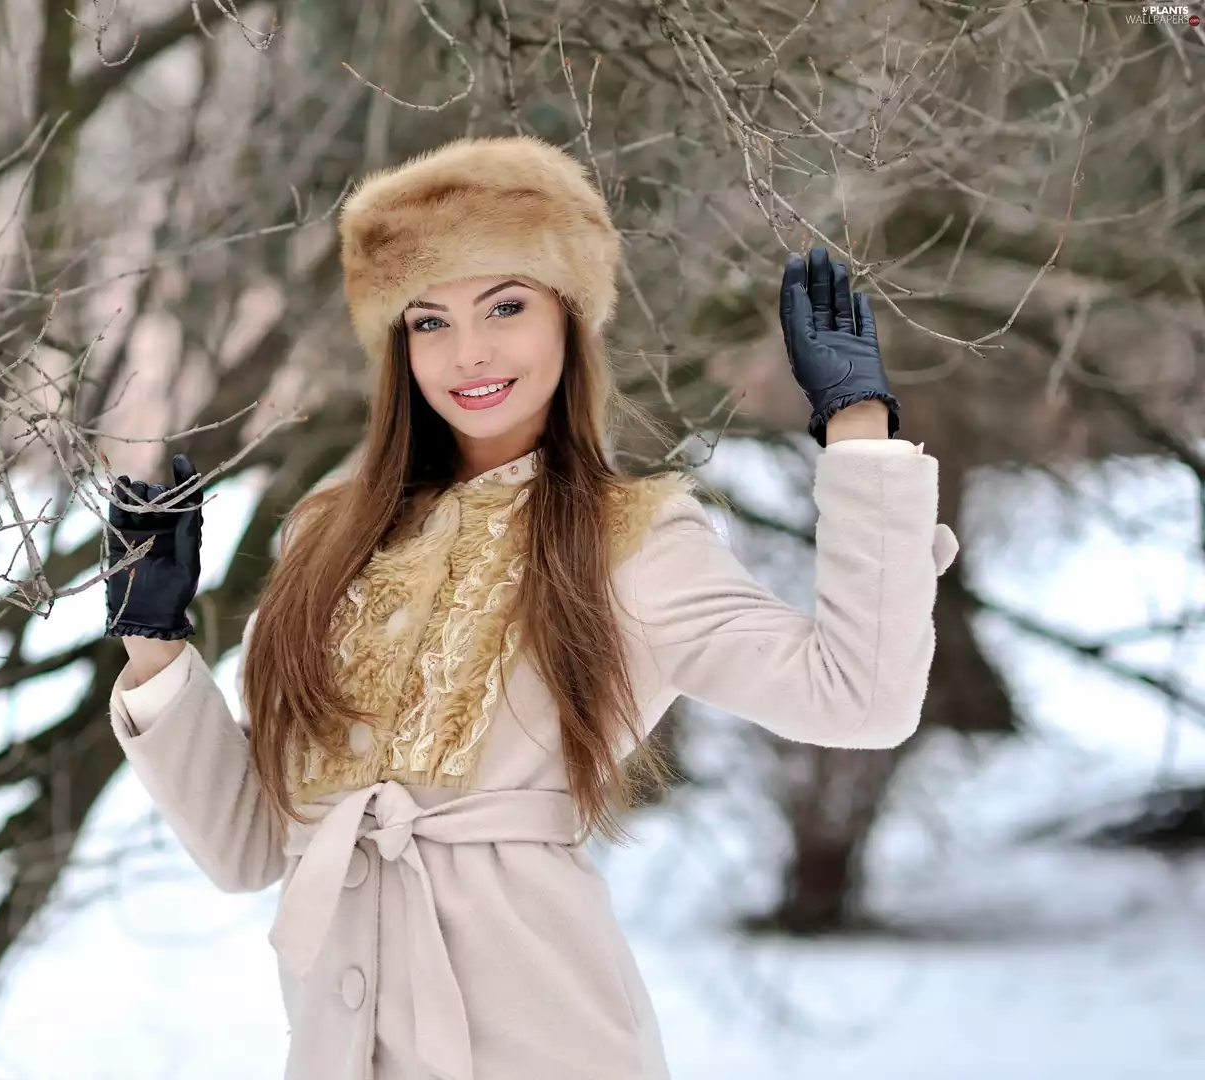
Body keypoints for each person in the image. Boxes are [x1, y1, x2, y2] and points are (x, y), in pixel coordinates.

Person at [98, 135, 959, 1080]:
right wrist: (155, 650)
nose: (471, 352)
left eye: (505, 306)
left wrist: (858, 430)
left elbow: (862, 699)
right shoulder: (327, 540)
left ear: (569, 318)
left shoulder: (633, 539)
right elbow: (251, 845)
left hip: (550, 1041)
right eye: (429, 321)